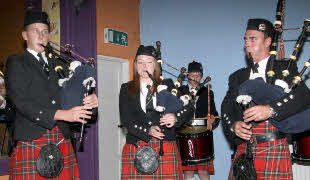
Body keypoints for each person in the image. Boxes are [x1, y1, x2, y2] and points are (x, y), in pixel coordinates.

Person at [5, 11, 98, 179]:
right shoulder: (16, 62)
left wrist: (89, 102)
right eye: (35, 31)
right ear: (25, 35)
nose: (41, 36)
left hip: (62, 140)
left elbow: (75, 101)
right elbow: (20, 101)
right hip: (31, 141)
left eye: (45, 31)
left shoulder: (61, 64)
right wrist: (61, 114)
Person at [221, 18, 310, 179]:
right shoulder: (237, 76)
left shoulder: (285, 68)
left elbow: (302, 96)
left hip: (273, 148)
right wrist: (234, 125)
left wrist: (271, 110)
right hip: (244, 151)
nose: (247, 43)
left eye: (253, 38)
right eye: (246, 39)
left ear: (268, 41)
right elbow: (227, 106)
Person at [119, 45, 195, 179]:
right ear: (135, 65)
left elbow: (189, 108)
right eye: (140, 62)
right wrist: (147, 130)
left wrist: (175, 117)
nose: (144, 66)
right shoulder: (126, 88)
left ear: (155, 65)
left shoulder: (169, 84)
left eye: (149, 62)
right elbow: (126, 120)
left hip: (164, 148)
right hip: (136, 147)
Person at [178, 61, 219, 180]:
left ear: (201, 77)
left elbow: (214, 114)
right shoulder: (180, 91)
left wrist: (213, 120)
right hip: (184, 135)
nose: (195, 77)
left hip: (202, 135)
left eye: (198, 75)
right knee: (188, 173)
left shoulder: (207, 92)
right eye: (192, 74)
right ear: (187, 75)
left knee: (203, 171)